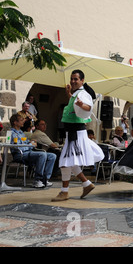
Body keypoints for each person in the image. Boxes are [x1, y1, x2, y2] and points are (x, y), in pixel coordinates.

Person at [51, 70, 104, 202]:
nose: (73, 81)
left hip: (76, 134)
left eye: (76, 79)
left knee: (65, 162)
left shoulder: (83, 93)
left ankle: (65, 192)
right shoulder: (76, 94)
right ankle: (86, 184)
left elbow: (88, 107)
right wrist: (68, 94)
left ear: (82, 81)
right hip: (73, 133)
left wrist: (82, 105)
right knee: (70, 161)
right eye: (72, 78)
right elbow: (75, 105)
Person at [9, 114, 56, 188]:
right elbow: (18, 147)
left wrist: (31, 143)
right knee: (42, 154)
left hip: (28, 152)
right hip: (20, 154)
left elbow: (27, 143)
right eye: (21, 120)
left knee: (52, 156)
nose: (23, 122)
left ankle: (45, 179)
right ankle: (37, 180)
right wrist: (31, 145)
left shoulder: (21, 132)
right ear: (15, 122)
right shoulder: (12, 133)